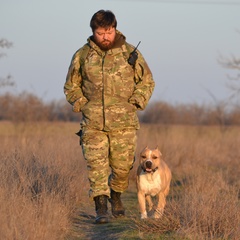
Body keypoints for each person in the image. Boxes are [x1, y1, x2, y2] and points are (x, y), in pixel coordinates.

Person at [64, 10, 155, 224]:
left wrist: (135, 102)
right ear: (93, 32)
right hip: (93, 124)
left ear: (115, 29)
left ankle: (116, 195)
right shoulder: (82, 55)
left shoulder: (130, 53)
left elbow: (147, 82)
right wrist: (82, 105)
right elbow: (71, 85)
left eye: (109, 32)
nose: (105, 37)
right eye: (100, 32)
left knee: (122, 167)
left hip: (124, 124)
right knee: (96, 166)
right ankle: (101, 208)